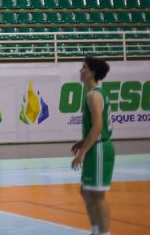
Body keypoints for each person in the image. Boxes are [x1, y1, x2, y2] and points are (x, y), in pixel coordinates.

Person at [71, 57, 114, 235]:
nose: (81, 70)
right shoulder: (93, 94)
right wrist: (82, 142)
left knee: (97, 196)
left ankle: (104, 233)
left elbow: (98, 126)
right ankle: (96, 230)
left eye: (84, 68)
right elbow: (96, 126)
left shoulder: (94, 95)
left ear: (92, 73)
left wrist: (82, 152)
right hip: (95, 146)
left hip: (99, 149)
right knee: (86, 191)